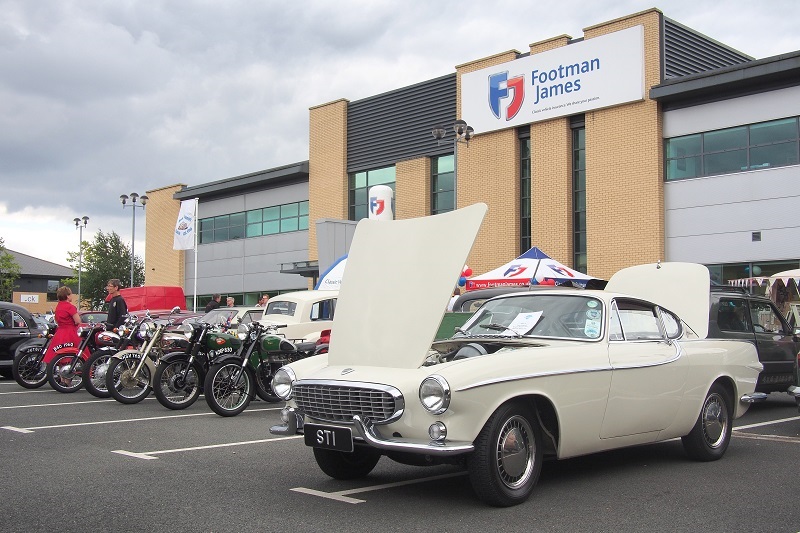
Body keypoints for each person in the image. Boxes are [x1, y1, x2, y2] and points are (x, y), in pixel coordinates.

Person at [48, 286, 81, 358]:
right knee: (78, 353)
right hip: (71, 332)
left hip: (60, 333)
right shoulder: (70, 307)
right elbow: (78, 321)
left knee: (59, 354)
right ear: (67, 296)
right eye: (71, 294)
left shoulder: (58, 306)